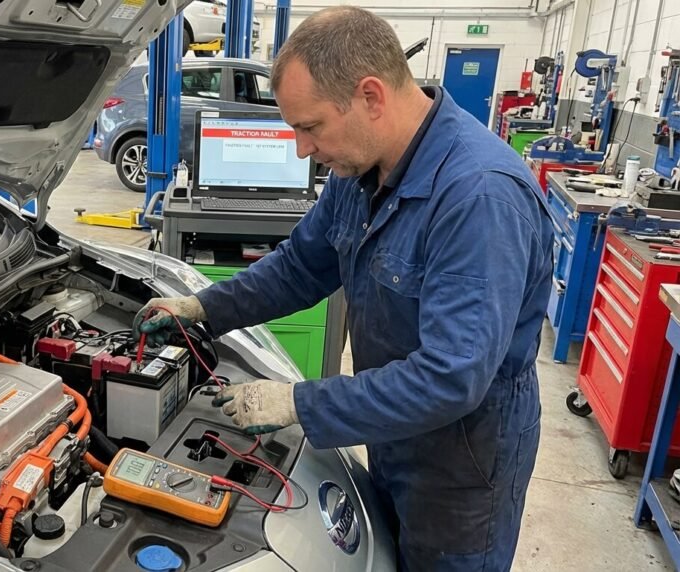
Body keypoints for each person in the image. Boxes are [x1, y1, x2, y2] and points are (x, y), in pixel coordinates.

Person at [133, 6, 553, 571]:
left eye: (310, 127)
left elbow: (452, 376)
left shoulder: (478, 198)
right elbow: (300, 267)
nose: (303, 150)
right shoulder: (360, 172)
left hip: (463, 465)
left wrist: (299, 403)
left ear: (371, 97)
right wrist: (203, 307)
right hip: (395, 430)